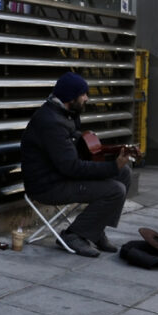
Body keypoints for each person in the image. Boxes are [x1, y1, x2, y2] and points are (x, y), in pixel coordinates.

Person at [19, 72, 132, 257]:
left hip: (61, 176)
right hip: (48, 186)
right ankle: (74, 235)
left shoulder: (66, 114)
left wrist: (111, 155)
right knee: (115, 189)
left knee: (124, 173)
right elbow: (71, 167)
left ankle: (94, 230)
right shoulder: (51, 123)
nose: (86, 98)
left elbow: (72, 152)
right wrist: (112, 166)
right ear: (71, 97)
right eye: (83, 94)